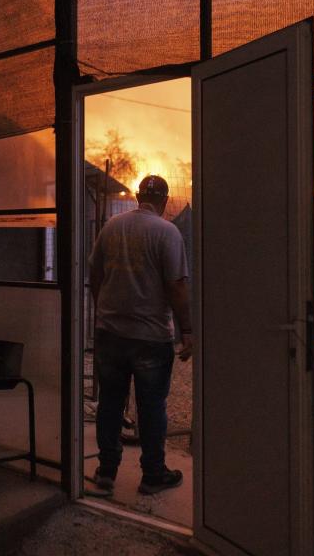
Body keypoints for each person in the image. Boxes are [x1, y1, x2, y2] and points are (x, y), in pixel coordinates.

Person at [88, 174, 194, 495]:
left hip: (111, 333)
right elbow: (176, 286)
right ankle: (152, 475)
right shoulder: (167, 233)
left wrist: (103, 311)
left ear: (137, 196)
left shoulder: (112, 228)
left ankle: (106, 472)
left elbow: (95, 274)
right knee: (152, 407)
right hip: (150, 337)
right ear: (164, 201)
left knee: (109, 402)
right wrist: (187, 330)